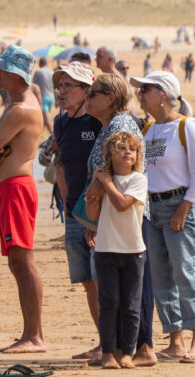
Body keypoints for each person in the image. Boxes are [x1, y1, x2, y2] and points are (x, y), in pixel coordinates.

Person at [0, 45, 45, 353]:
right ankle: (30, 334)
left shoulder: (21, 109)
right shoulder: (17, 103)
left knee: (23, 262)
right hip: (10, 187)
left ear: (16, 74)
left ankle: (34, 336)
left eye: (1, 70)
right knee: (17, 263)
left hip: (16, 187)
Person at [130, 71, 195, 362]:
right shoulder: (148, 130)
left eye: (146, 89)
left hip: (178, 206)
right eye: (140, 89)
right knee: (161, 279)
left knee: (186, 274)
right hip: (152, 210)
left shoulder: (186, 126)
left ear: (164, 94)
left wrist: (184, 208)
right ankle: (175, 341)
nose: (140, 94)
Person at [50, 62, 106, 360]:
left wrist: (94, 210)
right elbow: (60, 163)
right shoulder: (60, 123)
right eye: (60, 86)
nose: (61, 92)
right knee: (87, 281)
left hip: (100, 213)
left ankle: (115, 342)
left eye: (68, 86)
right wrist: (67, 202)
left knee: (103, 278)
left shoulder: (98, 122)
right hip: (74, 212)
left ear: (87, 91)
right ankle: (103, 341)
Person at [84, 131, 148, 370]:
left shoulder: (138, 180)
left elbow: (122, 204)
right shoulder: (103, 180)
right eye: (122, 148)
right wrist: (96, 182)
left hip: (133, 250)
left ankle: (128, 353)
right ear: (111, 155)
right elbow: (92, 215)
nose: (128, 152)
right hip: (106, 249)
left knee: (131, 306)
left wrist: (106, 182)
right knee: (109, 302)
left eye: (132, 149)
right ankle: (108, 353)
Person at [33, 58, 55, 133]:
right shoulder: (52, 72)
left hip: (43, 98)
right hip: (51, 98)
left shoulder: (38, 71)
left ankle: (53, 136)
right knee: (44, 119)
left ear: (39, 64)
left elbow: (33, 85)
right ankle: (39, 135)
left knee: (46, 119)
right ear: (46, 64)